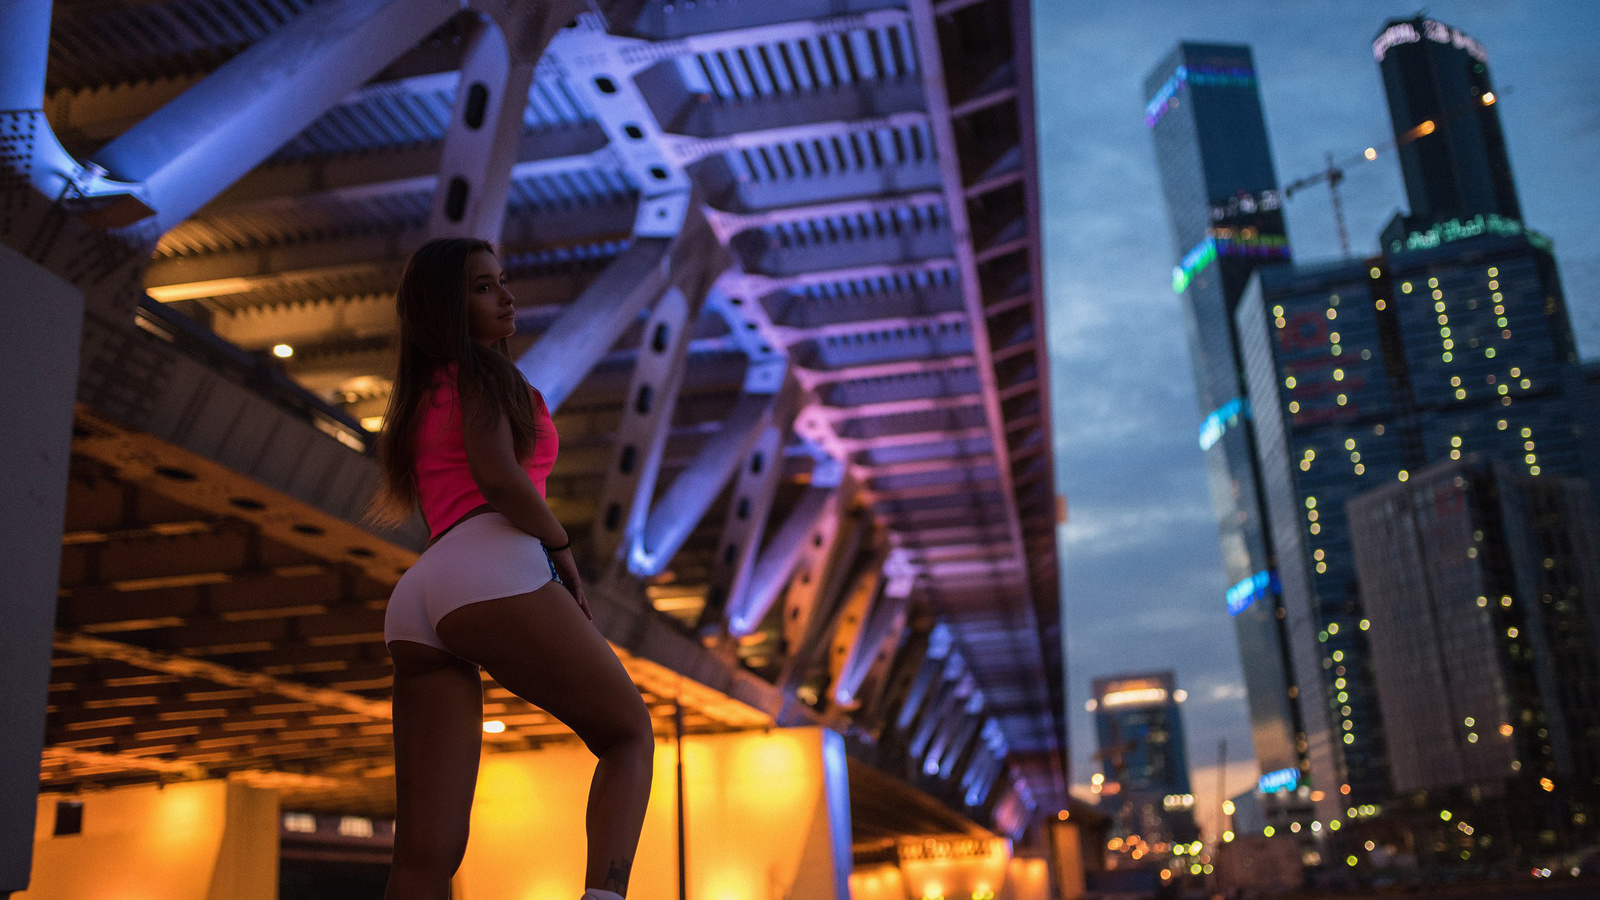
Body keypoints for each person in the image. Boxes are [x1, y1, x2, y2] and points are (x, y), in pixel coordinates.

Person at [368, 237, 654, 900]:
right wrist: (559, 548)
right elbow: (498, 476)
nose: (506, 296)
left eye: (501, 281)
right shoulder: (487, 377)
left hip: (421, 595)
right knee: (627, 735)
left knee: (422, 856)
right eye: (483, 287)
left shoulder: (416, 398)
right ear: (447, 305)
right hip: (494, 565)